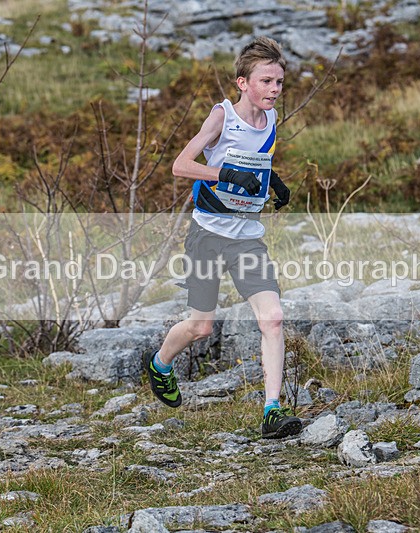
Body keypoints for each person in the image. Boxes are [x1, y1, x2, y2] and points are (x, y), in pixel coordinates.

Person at [143, 37, 298, 439]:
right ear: (242, 83)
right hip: (208, 235)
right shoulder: (222, 116)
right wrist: (225, 174)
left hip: (247, 237)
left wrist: (273, 181)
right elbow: (180, 165)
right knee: (200, 327)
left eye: (279, 82)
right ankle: (160, 364)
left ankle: (272, 410)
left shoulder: (271, 118)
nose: (275, 89)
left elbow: (254, 161)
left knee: (273, 317)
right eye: (266, 81)